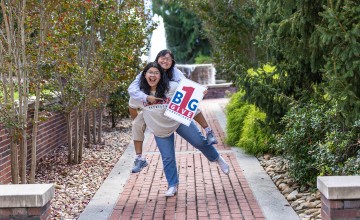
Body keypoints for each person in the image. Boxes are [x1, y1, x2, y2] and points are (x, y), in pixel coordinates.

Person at [128, 62, 229, 196]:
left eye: (156, 73)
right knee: (168, 158)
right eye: (150, 72)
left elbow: (190, 98)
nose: (153, 75)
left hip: (178, 121)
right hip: (160, 129)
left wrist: (200, 92)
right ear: (144, 75)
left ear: (161, 75)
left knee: (199, 141)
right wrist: (140, 122)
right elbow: (132, 107)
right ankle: (172, 185)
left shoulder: (172, 87)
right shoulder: (139, 93)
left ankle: (216, 158)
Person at [128, 49, 217, 173]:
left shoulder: (175, 74)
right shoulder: (147, 73)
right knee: (136, 124)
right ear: (157, 59)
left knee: (191, 107)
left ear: (172, 62)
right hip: (151, 108)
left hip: (171, 108)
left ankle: (208, 131)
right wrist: (146, 99)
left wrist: (199, 91)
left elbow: (187, 87)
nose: (165, 61)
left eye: (168, 59)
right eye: (162, 58)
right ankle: (139, 158)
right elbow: (132, 90)